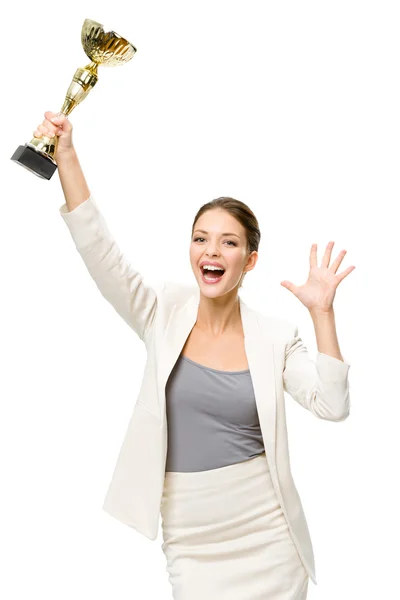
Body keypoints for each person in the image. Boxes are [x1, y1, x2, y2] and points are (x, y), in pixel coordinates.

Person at [34, 111, 354, 599]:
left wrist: (323, 315)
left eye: (228, 243)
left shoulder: (275, 337)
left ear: (248, 262)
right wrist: (69, 158)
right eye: (201, 238)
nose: (211, 251)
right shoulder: (162, 310)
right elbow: (101, 253)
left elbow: (331, 405)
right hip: (191, 536)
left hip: (268, 536)